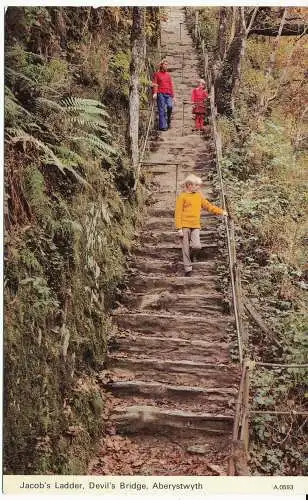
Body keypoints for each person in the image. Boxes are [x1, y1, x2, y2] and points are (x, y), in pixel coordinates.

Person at [175, 174, 228, 276]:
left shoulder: (198, 196)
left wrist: (221, 212)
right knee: (185, 247)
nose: (198, 187)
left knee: (197, 246)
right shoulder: (182, 197)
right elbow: (178, 213)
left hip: (195, 226)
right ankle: (188, 269)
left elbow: (208, 206)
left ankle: (191, 257)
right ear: (189, 185)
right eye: (196, 185)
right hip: (184, 225)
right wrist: (179, 228)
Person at [152, 59, 176, 131]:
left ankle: (168, 119)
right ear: (161, 65)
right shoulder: (157, 74)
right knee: (162, 109)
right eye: (165, 64)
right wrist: (155, 93)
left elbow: (171, 85)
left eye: (167, 64)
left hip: (168, 94)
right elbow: (155, 84)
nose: (166, 66)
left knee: (170, 106)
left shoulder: (168, 75)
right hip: (160, 93)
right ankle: (162, 126)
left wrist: (173, 96)